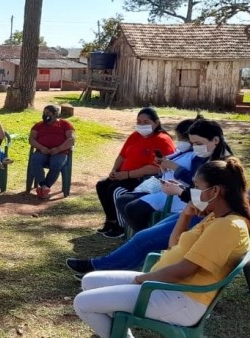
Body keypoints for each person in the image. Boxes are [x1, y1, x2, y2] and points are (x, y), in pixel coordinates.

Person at [74, 158, 250, 338]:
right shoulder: (216, 217)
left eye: (197, 186)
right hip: (169, 288)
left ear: (215, 190)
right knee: (89, 281)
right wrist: (185, 215)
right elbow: (175, 245)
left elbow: (183, 271)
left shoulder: (228, 226)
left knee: (82, 303)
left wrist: (141, 280)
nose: (192, 192)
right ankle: (120, 331)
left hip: (181, 299)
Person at [66, 120, 234, 277]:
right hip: (195, 212)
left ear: (216, 140)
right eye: (193, 143)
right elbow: (200, 193)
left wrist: (180, 191)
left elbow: (211, 201)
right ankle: (101, 268)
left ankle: (98, 268)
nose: (195, 148)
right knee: (143, 236)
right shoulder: (205, 157)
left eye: (198, 144)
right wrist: (180, 189)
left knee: (145, 239)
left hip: (207, 219)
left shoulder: (223, 167)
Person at [95, 107, 175, 238]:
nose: (142, 125)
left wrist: (127, 175)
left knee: (116, 191)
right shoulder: (135, 136)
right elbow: (122, 155)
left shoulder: (162, 140)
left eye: (146, 122)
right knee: (102, 185)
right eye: (139, 122)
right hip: (123, 174)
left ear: (156, 123)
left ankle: (122, 227)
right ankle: (111, 221)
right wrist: (114, 170)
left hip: (142, 179)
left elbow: (154, 168)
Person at [114, 117, 198, 232]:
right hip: (162, 188)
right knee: (123, 201)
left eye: (182, 138)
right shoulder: (181, 151)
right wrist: (162, 164)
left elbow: (193, 180)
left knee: (133, 209)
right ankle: (137, 235)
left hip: (175, 195)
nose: (179, 141)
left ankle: (143, 236)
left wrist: (173, 166)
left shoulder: (197, 156)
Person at [27, 105, 76, 200]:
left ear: (55, 114)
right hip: (42, 151)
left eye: (48, 113)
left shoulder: (65, 124)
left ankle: (46, 187)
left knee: (56, 164)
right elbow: (31, 139)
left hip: (60, 152)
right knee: (35, 160)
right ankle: (44, 185)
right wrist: (41, 148)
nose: (45, 115)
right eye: (44, 113)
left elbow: (71, 139)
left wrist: (58, 149)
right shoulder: (38, 125)